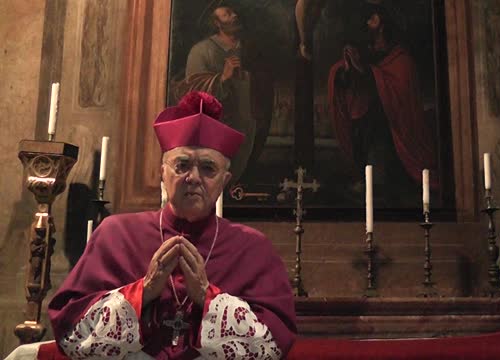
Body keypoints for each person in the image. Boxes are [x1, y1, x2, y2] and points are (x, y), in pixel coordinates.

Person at [42, 91, 296, 359]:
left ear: (225, 180)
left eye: (208, 168)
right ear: (161, 172)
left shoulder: (252, 248)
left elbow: (273, 344)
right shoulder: (115, 234)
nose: (193, 177)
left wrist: (206, 296)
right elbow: (71, 329)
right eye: (182, 165)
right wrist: (145, 291)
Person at [328, 4, 436, 197]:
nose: (365, 24)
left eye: (370, 19)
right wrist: (344, 69)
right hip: (365, 129)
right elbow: (352, 84)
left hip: (390, 137)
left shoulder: (401, 60)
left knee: (381, 171)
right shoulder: (365, 53)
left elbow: (399, 98)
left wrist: (366, 72)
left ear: (379, 21)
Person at [175, 5, 272, 184]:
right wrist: (223, 79)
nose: (234, 15)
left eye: (233, 12)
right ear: (216, 22)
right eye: (227, 14)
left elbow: (264, 85)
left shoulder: (250, 50)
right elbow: (192, 95)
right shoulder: (202, 51)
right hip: (217, 130)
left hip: (248, 125)